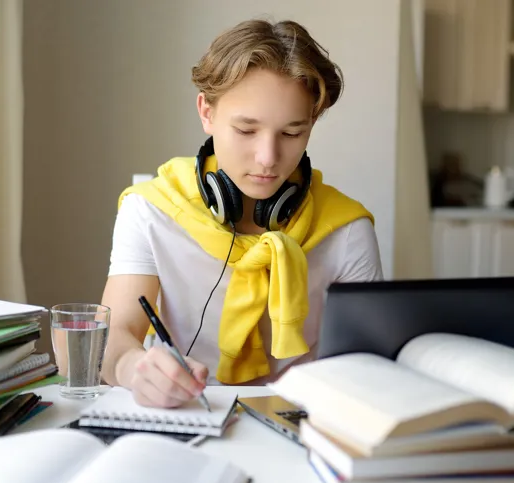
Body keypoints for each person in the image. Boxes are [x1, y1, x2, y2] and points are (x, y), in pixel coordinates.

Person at [100, 18, 383, 408]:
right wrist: (134, 368)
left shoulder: (348, 229)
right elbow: (115, 333)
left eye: (291, 133)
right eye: (247, 130)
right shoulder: (151, 210)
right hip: (190, 413)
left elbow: (366, 365)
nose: (268, 158)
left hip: (304, 422)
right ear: (207, 112)